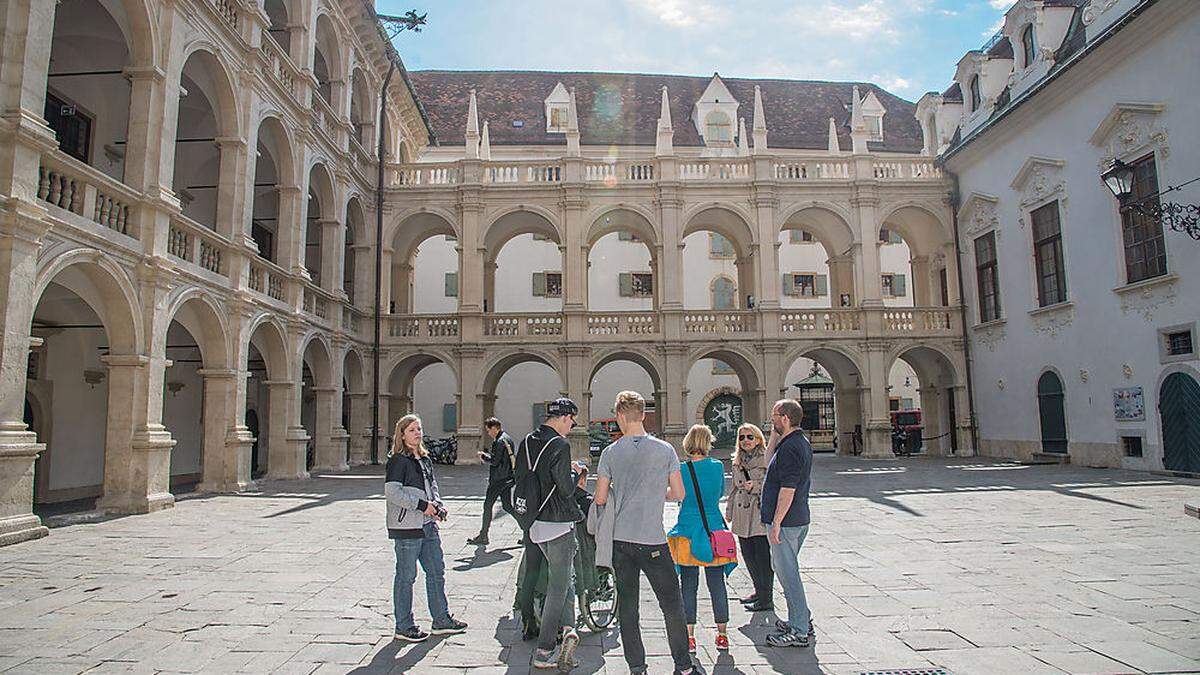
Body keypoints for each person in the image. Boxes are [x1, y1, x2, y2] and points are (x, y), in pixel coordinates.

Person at [594, 391, 697, 675]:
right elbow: (679, 493)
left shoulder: (610, 452)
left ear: (618, 417)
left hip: (621, 542)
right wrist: (654, 494)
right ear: (642, 415)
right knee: (672, 604)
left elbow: (601, 498)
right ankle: (683, 666)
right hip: (652, 540)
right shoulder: (664, 450)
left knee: (628, 608)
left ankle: (637, 667)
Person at [513, 398, 584, 671]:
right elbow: (565, 489)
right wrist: (576, 473)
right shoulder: (560, 445)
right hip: (558, 524)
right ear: (563, 417)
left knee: (563, 580)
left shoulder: (527, 441)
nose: (571, 427)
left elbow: (520, 477)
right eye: (571, 421)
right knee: (558, 586)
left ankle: (569, 630)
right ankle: (544, 651)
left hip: (534, 523)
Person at [384, 414, 468, 642]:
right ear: (402, 434)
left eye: (419, 429)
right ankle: (404, 625)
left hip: (428, 526)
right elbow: (392, 493)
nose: (417, 433)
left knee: (436, 572)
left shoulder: (424, 458)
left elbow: (432, 487)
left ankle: (441, 620)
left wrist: (437, 506)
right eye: (411, 430)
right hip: (407, 528)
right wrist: (422, 506)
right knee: (406, 577)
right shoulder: (397, 461)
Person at [668, 424, 736, 654]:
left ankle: (689, 637)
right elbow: (719, 494)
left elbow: (677, 495)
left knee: (688, 585)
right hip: (713, 529)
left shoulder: (680, 469)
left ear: (688, 443)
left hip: (687, 529)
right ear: (708, 442)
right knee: (717, 583)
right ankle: (722, 634)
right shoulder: (717, 467)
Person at [762, 400, 816, 648]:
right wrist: (773, 437)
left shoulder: (792, 448)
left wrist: (776, 522)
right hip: (795, 519)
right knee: (785, 569)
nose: (771, 420)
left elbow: (788, 489)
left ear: (784, 417)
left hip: (787, 521)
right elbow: (767, 461)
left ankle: (799, 630)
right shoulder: (792, 443)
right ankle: (800, 617)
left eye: (774, 416)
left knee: (789, 574)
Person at [726, 422, 774, 612]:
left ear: (758, 439)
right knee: (748, 554)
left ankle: (766, 597)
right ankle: (758, 591)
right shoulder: (737, 459)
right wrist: (729, 510)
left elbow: (773, 485)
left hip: (758, 510)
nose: (745, 440)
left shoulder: (767, 458)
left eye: (749, 436)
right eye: (742, 437)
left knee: (762, 555)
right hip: (742, 511)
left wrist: (755, 485)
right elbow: (734, 488)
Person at [468, 417, 515, 546]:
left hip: (498, 479)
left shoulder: (499, 442)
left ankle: (483, 535)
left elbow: (495, 461)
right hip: (507, 478)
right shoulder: (507, 438)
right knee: (507, 506)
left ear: (494, 428)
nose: (488, 433)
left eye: (488, 430)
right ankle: (527, 530)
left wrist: (483, 456)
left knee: (488, 505)